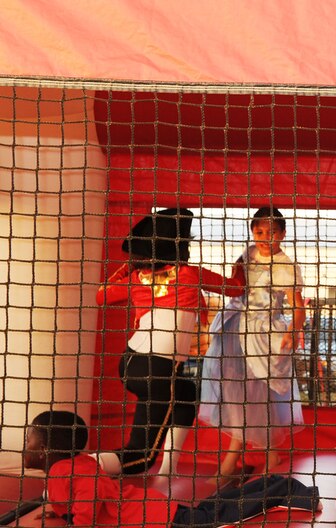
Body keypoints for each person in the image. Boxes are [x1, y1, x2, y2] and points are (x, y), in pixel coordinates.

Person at [94, 208, 245, 483]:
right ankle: (71, 470)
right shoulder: (190, 275)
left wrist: (129, 268)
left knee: (186, 395)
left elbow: (101, 295)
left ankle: (168, 470)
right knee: (140, 456)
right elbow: (235, 288)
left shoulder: (136, 279)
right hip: (157, 371)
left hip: (131, 363)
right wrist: (241, 266)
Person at [21, 410, 320, 528]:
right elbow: (71, 501)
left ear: (46, 450)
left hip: (158, 520)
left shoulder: (72, 470)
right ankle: (276, 483)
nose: (25, 445)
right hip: (157, 513)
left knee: (219, 517)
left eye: (28, 440)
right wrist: (60, 512)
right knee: (212, 508)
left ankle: (288, 490)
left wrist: (76, 523)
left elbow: (88, 501)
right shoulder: (69, 467)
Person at [199, 207, 307, 485]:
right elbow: (236, 285)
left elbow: (297, 306)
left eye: (271, 233)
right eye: (258, 232)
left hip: (262, 336)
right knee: (237, 391)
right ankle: (267, 456)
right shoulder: (247, 254)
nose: (263, 238)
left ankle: (232, 463)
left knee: (253, 394)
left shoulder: (285, 266)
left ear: (282, 234)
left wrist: (293, 330)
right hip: (235, 330)